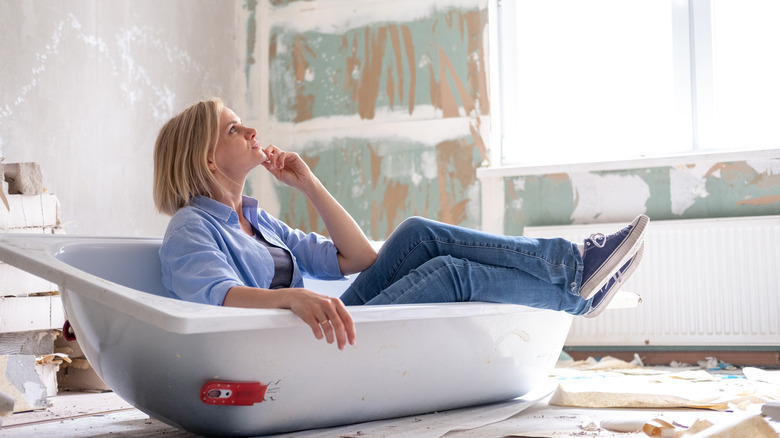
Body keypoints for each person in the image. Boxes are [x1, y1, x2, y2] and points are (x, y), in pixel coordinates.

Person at [153, 98, 649, 351]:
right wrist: (290, 296)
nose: (252, 130)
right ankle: (576, 288)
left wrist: (310, 186)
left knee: (415, 233)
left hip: (326, 324)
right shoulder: (191, 227)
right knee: (451, 273)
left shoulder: (260, 221)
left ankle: (574, 269)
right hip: (293, 345)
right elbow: (214, 295)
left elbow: (360, 259)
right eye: (234, 129)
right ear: (207, 159)